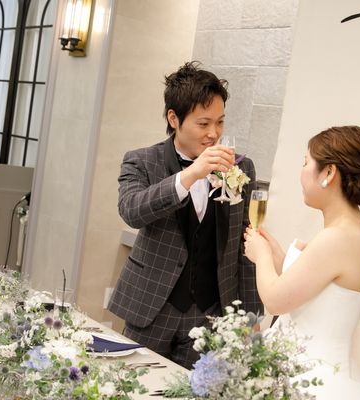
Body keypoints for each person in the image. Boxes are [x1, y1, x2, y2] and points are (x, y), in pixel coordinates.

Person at [108, 61, 261, 369]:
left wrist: (250, 315)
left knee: (193, 388)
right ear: (173, 118)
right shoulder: (142, 161)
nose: (213, 134)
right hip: (152, 306)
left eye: (220, 122)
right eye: (203, 124)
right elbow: (132, 210)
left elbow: (242, 245)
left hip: (210, 314)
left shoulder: (240, 168)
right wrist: (191, 174)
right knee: (132, 382)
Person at [244, 125, 360, 399]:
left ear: (329, 173)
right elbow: (318, 289)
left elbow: (275, 302)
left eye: (305, 162)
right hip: (298, 365)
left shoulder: (338, 237)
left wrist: (261, 257)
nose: (301, 172)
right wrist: (277, 256)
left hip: (313, 379)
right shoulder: (346, 226)